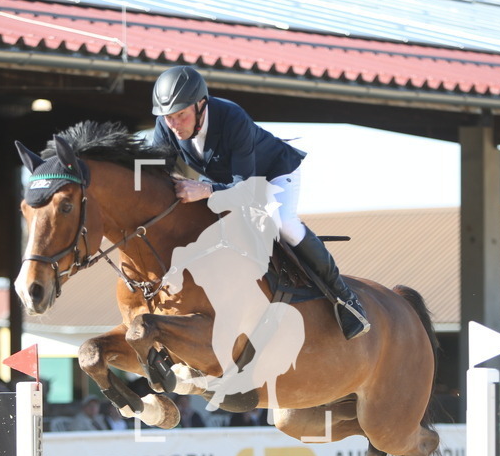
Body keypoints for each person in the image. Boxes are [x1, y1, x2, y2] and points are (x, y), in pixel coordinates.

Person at [150, 65, 369, 340]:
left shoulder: (232, 117)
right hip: (228, 184)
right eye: (169, 117)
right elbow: (152, 169)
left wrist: (206, 190)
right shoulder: (166, 123)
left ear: (201, 104)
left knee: (282, 222)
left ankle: (345, 299)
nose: (174, 124)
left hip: (272, 174)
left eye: (181, 115)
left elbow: (248, 190)